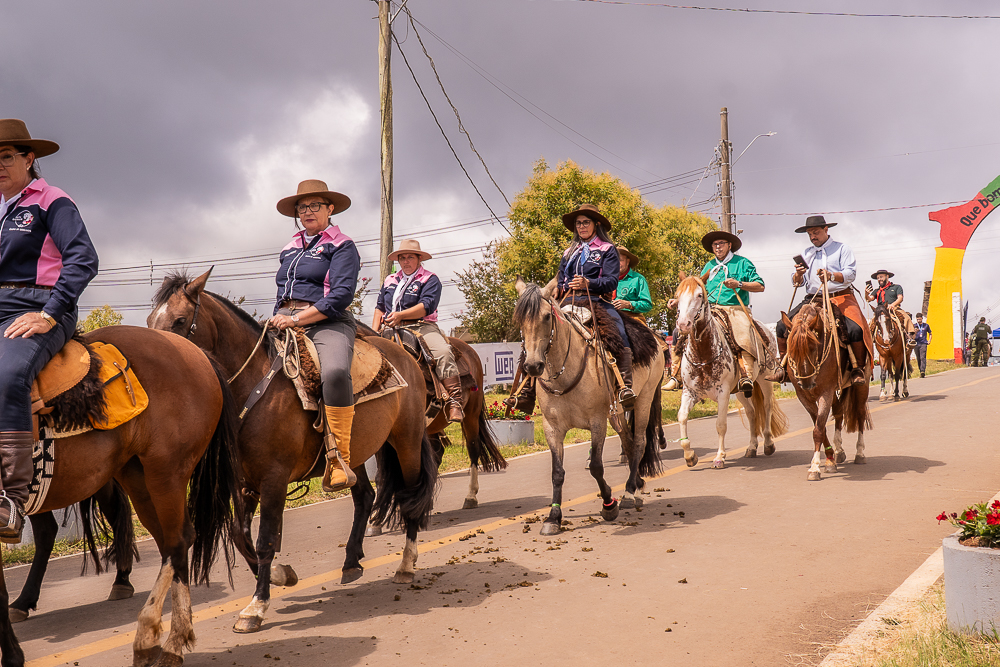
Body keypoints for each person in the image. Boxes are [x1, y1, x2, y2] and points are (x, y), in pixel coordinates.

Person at [0, 119, 99, 540]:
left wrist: (51, 313)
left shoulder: (51, 200)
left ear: (29, 159)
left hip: (39, 308)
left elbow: (83, 259)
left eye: (6, 157)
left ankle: (11, 497)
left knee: (7, 375)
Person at [269, 179, 360, 492]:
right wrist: (279, 317)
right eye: (302, 207)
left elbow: (340, 296)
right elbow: (282, 291)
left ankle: (339, 459)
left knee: (334, 373)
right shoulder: (289, 247)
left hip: (326, 321)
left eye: (315, 205)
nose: (307, 211)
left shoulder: (342, 245)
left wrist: (297, 318)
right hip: (285, 319)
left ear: (330, 209)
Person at [664, 230, 765, 397]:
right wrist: (680, 301)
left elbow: (760, 286)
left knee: (743, 332)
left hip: (736, 308)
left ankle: (746, 375)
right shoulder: (709, 266)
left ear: (729, 245)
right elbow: (698, 292)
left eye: (721, 244)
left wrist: (739, 283)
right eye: (715, 245)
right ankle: (676, 375)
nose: (718, 247)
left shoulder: (743, 263)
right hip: (711, 310)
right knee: (679, 332)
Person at [373, 239, 464, 423]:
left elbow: (426, 306)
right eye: (402, 258)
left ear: (419, 259)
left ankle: (455, 401)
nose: (406, 261)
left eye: (410, 257)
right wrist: (373, 334)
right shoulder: (390, 280)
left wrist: (400, 315)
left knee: (443, 352)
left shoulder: (430, 279)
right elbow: (379, 307)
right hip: (390, 328)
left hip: (421, 326)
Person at [555, 204, 636, 410]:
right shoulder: (568, 252)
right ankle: (526, 390)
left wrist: (588, 283)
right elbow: (561, 277)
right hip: (568, 301)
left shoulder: (607, 249)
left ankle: (624, 385)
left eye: (585, 222)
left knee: (619, 331)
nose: (581, 227)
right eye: (578, 223)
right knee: (541, 328)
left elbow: (611, 281)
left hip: (597, 301)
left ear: (596, 224)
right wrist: (560, 287)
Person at [774, 215, 871, 384]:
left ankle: (858, 368)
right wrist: (798, 275)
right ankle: (783, 368)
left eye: (816, 232)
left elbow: (851, 274)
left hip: (840, 297)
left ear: (826, 230)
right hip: (813, 299)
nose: (813, 236)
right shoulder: (806, 253)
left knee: (855, 329)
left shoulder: (842, 249)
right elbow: (798, 282)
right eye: (810, 233)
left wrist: (831, 275)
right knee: (782, 325)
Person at [865, 269, 915, 344]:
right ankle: (869, 340)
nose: (879, 279)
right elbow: (869, 299)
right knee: (871, 323)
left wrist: (892, 305)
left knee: (906, 318)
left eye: (881, 277)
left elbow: (900, 298)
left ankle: (909, 338)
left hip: (894, 308)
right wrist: (866, 293)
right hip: (880, 311)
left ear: (887, 277)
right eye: (878, 278)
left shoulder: (896, 287)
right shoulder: (877, 290)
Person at [612, 246, 652, 320]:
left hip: (632, 318)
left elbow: (647, 305)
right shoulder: (605, 279)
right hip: (608, 317)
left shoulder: (638, 279)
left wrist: (629, 304)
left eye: (621, 260)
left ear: (628, 262)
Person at [913, 312, 932, 377]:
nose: (919, 321)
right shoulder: (914, 326)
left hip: (923, 343)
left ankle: (922, 371)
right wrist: (915, 332)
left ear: (922, 319)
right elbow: (912, 337)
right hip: (916, 344)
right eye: (917, 319)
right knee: (918, 358)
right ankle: (920, 370)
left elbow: (930, 333)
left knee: (922, 357)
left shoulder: (926, 325)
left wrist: (929, 340)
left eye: (920, 319)